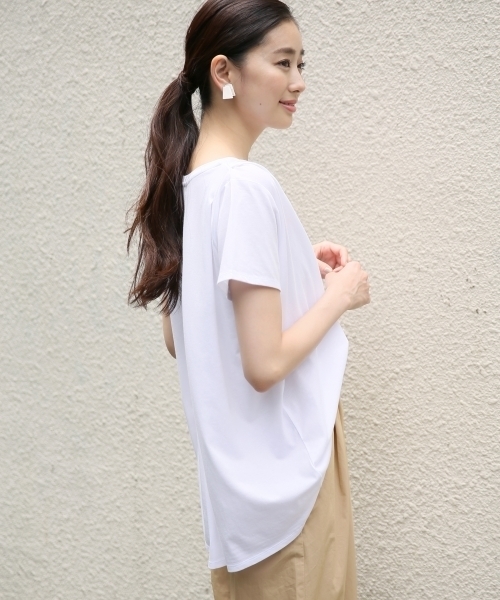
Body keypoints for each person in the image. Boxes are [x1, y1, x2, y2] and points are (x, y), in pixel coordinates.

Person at [127, 0, 370, 597]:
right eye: (283, 63)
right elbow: (263, 365)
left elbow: (183, 336)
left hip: (242, 507)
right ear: (224, 72)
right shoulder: (243, 185)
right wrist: (340, 295)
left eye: (301, 64)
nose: (298, 81)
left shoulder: (191, 185)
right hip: (288, 495)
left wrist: (289, 263)